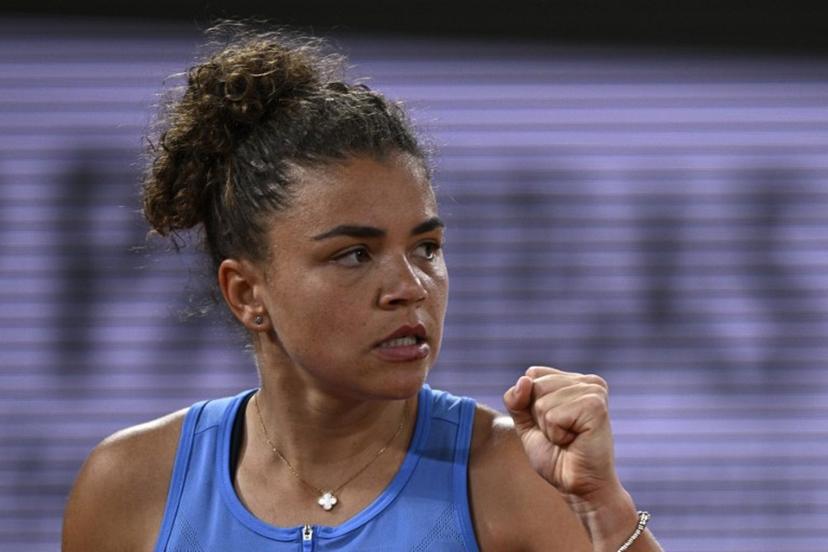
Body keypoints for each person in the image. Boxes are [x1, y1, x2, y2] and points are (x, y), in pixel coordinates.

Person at [62, 22, 662, 552]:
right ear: (247, 293)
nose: (410, 287)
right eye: (354, 254)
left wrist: (600, 505)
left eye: (426, 247)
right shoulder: (129, 485)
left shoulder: (516, 473)